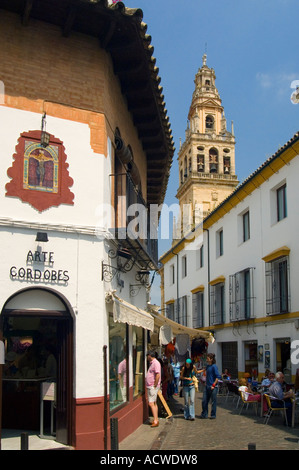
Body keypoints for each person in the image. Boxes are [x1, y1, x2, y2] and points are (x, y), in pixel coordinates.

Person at [199, 353, 221, 419]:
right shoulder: (207, 366)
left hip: (213, 387)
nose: (207, 359)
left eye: (208, 358)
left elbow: (218, 377)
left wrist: (214, 385)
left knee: (213, 401)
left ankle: (213, 415)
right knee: (204, 401)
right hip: (207, 386)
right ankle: (204, 414)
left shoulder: (214, 366)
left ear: (211, 359)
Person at [146, 350, 161, 428]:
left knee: (151, 403)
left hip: (152, 386)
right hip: (151, 386)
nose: (147, 357)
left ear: (150, 355)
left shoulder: (156, 363)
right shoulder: (152, 363)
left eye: (147, 355)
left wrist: (155, 385)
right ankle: (156, 419)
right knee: (154, 403)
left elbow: (158, 374)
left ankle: (155, 420)